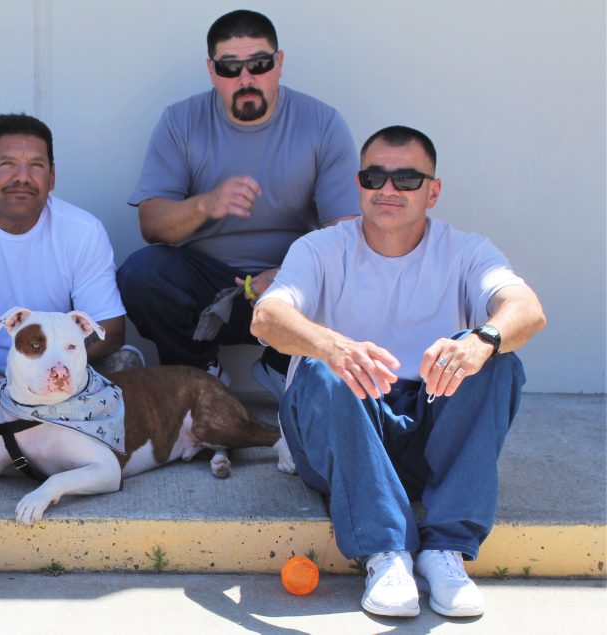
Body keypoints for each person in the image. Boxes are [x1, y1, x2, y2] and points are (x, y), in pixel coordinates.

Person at [251, 126, 545, 618]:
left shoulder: (466, 250)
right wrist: (331, 344)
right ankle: (385, 553)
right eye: (375, 177)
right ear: (359, 184)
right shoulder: (320, 248)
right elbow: (266, 316)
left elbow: (527, 309)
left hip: (428, 421)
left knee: (497, 360)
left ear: (433, 191)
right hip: (345, 428)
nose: (388, 189)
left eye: (407, 179)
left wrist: (480, 341)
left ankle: (444, 551)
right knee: (324, 369)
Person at [118, 9, 359, 392]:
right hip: (209, 286)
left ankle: (286, 367)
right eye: (230, 68)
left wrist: (292, 273)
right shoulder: (181, 121)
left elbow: (344, 231)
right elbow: (152, 224)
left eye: (259, 64)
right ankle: (199, 379)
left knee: (353, 268)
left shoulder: (322, 123)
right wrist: (206, 204)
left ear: (279, 63)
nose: (246, 79)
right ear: (212, 71)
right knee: (142, 273)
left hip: (291, 285)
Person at [0, 113, 136, 438]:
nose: (22, 177)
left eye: (36, 165)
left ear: (52, 178)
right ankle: (46, 425)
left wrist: (50, 369)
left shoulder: (83, 231)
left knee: (125, 364)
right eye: (7, 164)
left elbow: (110, 329)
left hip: (53, 370)